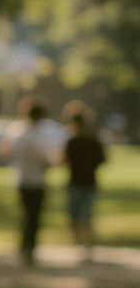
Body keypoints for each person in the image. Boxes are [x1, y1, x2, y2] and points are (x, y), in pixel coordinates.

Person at [5, 97, 52, 266]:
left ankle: (24, 246)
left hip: (20, 178)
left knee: (26, 215)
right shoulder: (38, 135)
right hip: (36, 180)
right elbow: (46, 160)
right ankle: (29, 248)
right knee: (34, 217)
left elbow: (7, 152)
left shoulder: (16, 132)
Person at [63, 103, 107, 263]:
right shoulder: (94, 141)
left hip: (75, 181)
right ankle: (86, 244)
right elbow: (103, 160)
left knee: (74, 214)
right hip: (90, 181)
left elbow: (64, 161)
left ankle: (78, 242)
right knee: (86, 214)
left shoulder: (72, 142)